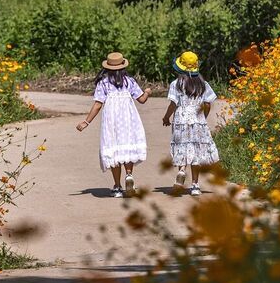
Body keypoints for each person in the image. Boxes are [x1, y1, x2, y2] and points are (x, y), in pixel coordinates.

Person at [77, 52, 151, 198]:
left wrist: (86, 122)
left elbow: (98, 104)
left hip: (111, 122)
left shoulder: (103, 83)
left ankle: (117, 187)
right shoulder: (129, 81)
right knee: (127, 146)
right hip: (128, 120)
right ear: (123, 67)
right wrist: (147, 92)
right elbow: (142, 99)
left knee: (114, 149)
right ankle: (129, 175)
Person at [162, 51, 219, 196]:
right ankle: (195, 185)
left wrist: (166, 117)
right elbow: (207, 104)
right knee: (196, 152)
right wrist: (203, 117)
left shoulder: (176, 84)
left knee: (182, 146)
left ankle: (181, 171)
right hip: (198, 120)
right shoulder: (203, 84)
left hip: (181, 121)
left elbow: (173, 104)